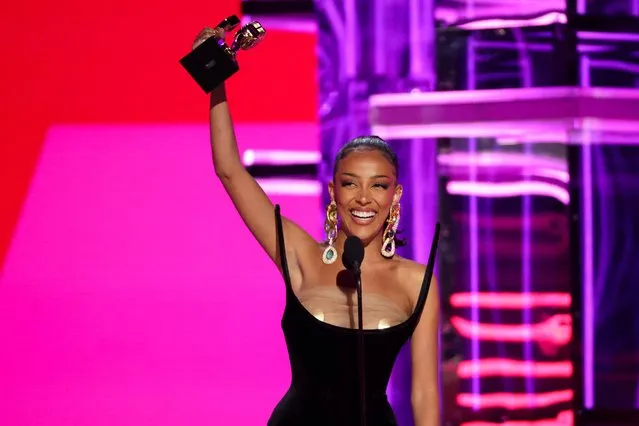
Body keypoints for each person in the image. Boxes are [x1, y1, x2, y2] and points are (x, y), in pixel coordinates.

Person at [194, 27, 441, 426]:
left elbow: (424, 393)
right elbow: (229, 171)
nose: (364, 198)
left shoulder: (417, 282)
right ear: (333, 192)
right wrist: (215, 77)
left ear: (395, 196)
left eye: (378, 185)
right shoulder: (301, 255)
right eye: (350, 183)